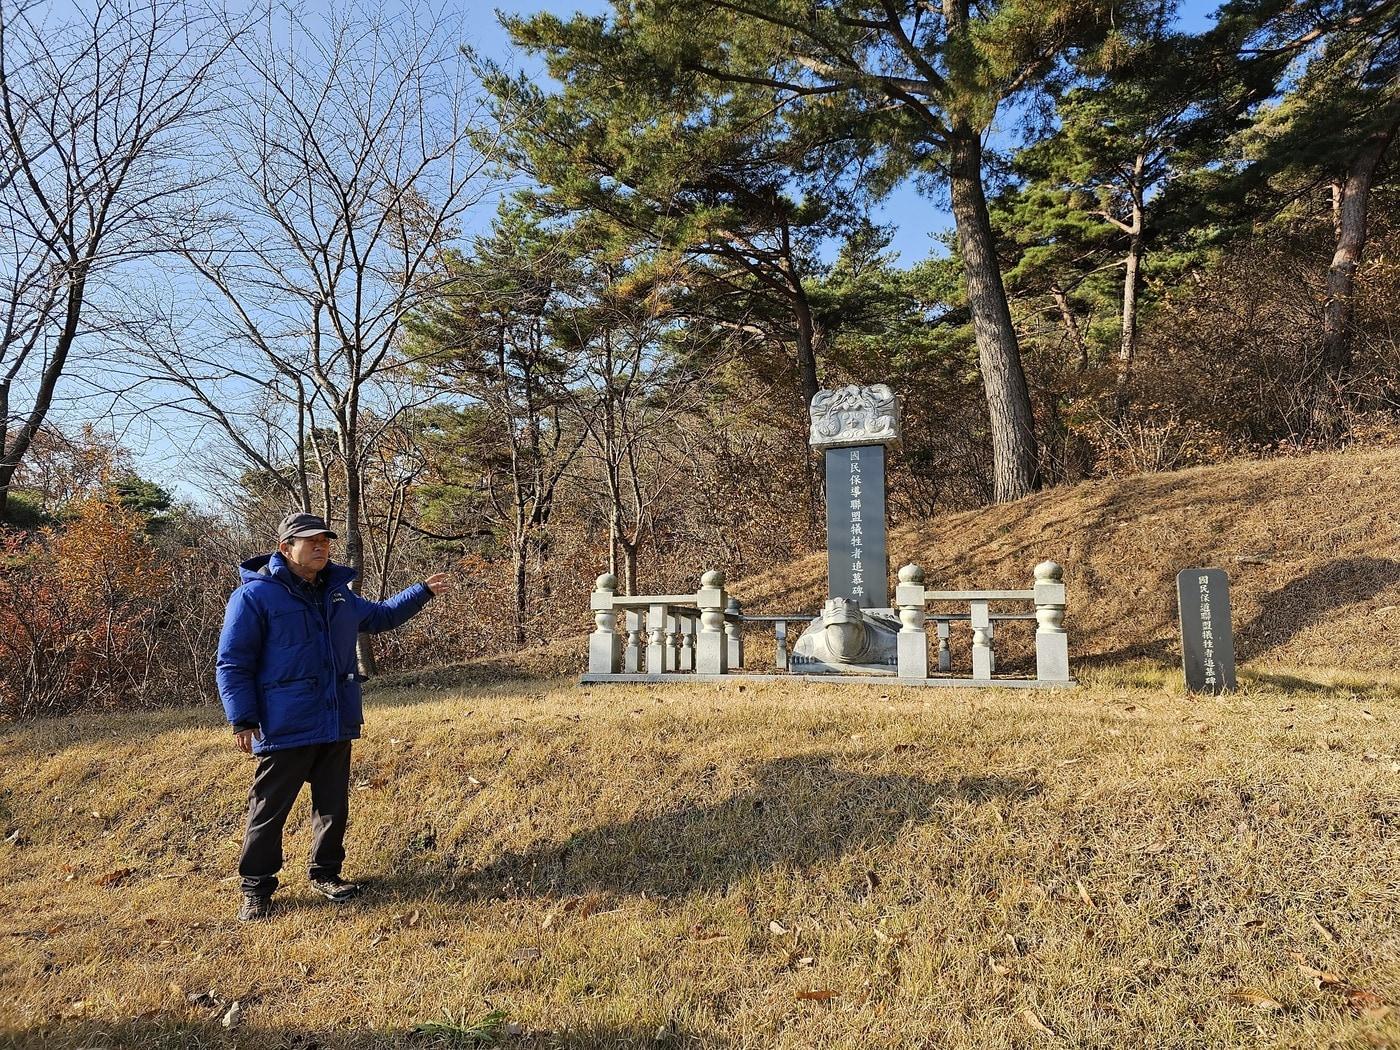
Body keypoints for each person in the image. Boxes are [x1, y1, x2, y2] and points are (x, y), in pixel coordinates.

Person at [216, 511, 452, 921]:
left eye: (325, 540)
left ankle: (326, 873)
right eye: (311, 541)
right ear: (286, 548)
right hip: (285, 721)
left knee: (331, 804)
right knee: (269, 808)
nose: (322, 546)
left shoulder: (338, 593)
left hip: (335, 715)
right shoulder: (254, 596)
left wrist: (420, 592)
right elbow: (233, 663)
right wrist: (243, 718)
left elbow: (379, 617)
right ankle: (256, 887)